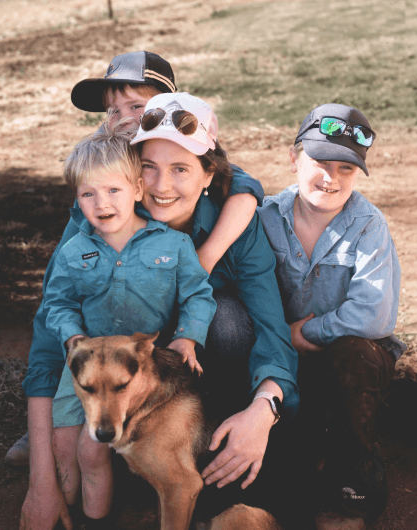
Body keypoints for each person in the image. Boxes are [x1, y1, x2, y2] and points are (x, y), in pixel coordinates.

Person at [19, 91, 298, 530]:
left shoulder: (238, 222)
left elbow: (271, 329)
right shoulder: (100, 215)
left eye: (181, 170)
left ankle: (195, 441)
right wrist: (41, 481)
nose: (162, 187)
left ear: (209, 176)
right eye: (148, 168)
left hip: (196, 370)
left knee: (225, 320)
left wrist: (263, 410)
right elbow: (48, 329)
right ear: (133, 176)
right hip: (118, 366)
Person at [7, 50, 262, 465]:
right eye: (113, 110)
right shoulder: (104, 187)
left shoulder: (194, 157)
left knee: (226, 321)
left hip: (186, 316)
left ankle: (209, 419)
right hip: (121, 329)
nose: (124, 119)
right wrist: (40, 438)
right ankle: (77, 410)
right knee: (88, 295)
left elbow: (241, 179)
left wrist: (215, 244)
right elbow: (56, 300)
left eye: (137, 107)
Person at [42, 124, 217, 521]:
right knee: (70, 449)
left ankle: (102, 516)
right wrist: (72, 337)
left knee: (97, 448)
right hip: (87, 361)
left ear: (138, 189)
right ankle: (83, 515)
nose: (101, 203)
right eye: (88, 193)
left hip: (141, 361)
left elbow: (197, 295)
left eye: (113, 190)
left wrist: (189, 338)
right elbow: (58, 303)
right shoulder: (74, 251)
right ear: (77, 198)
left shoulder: (173, 244)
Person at [258, 103, 406, 525]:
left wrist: (303, 332)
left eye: (346, 169)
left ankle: (355, 480)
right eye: (321, 162)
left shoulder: (367, 224)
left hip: (349, 365)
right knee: (290, 478)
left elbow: (374, 316)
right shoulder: (264, 218)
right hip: (281, 361)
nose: (332, 178)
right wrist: (281, 341)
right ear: (293, 158)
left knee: (355, 353)